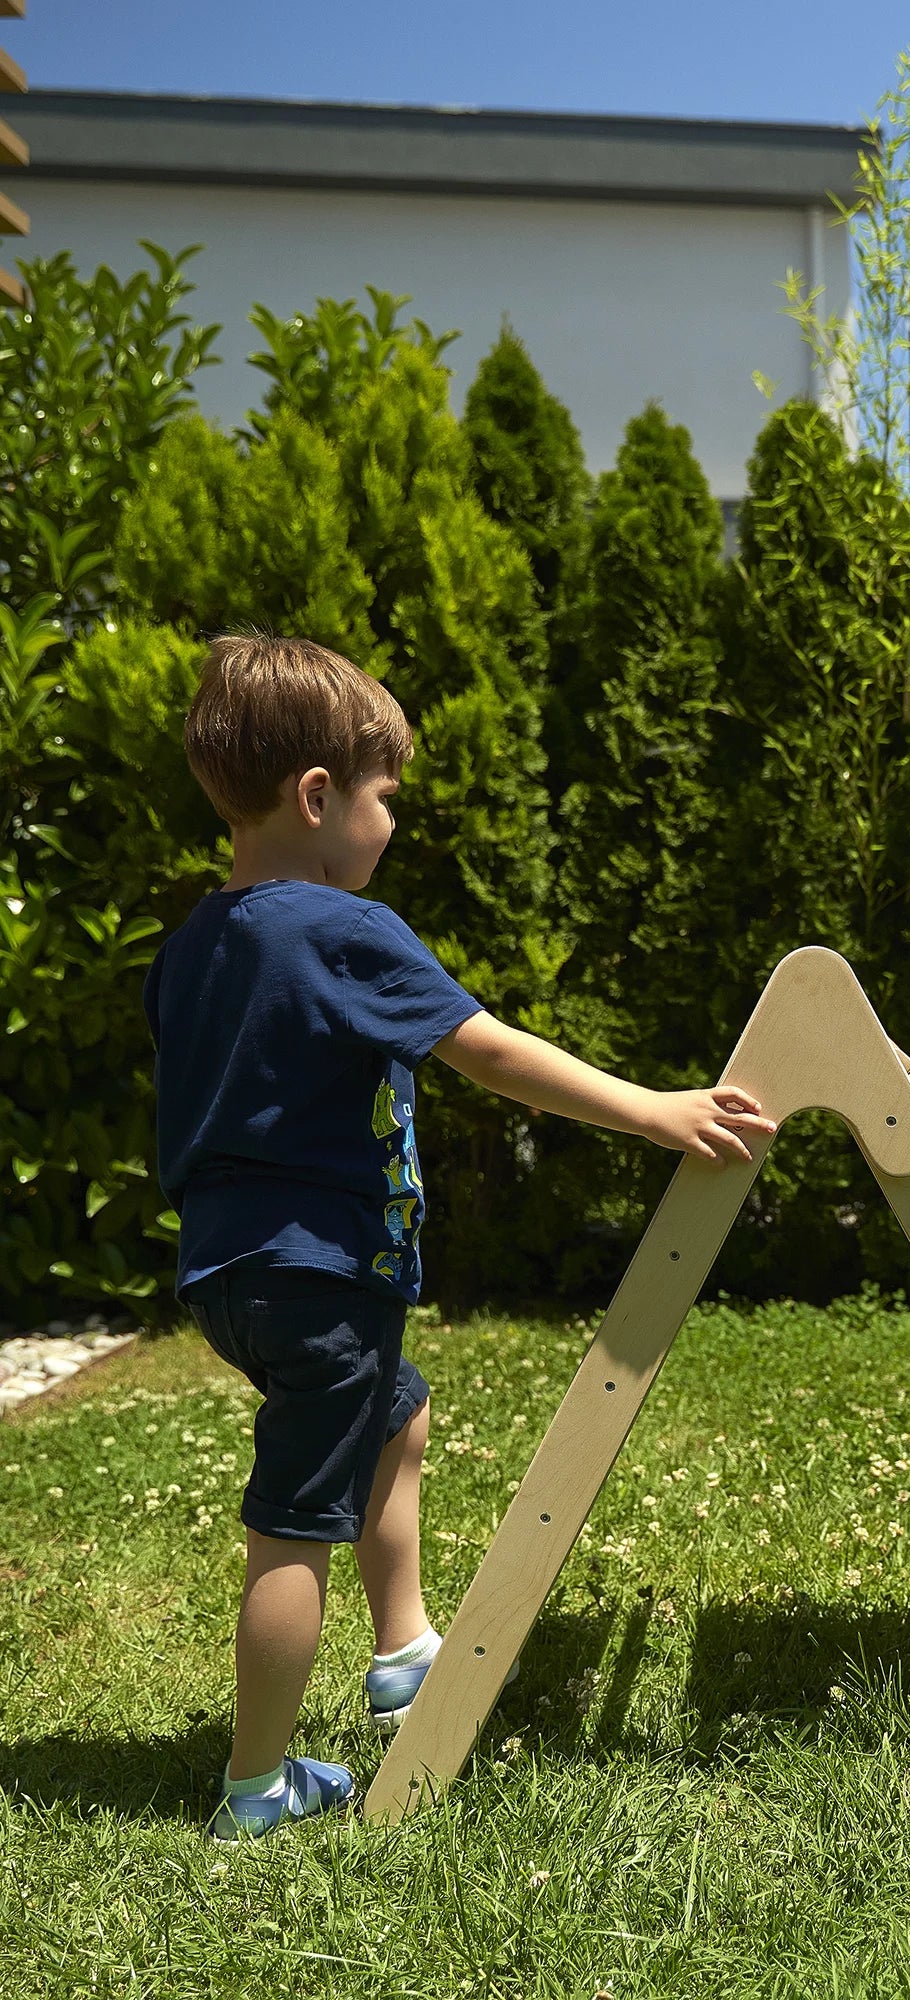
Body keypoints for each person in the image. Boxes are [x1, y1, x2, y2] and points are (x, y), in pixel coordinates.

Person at [144, 635, 775, 1842]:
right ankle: (254, 1787)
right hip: (323, 1273)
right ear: (317, 795)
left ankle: (403, 1653)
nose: (391, 820)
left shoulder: (194, 945)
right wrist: (651, 1110)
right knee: (294, 1523)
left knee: (400, 1411)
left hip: (231, 1276)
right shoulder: (340, 928)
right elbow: (487, 1049)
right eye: (384, 794)